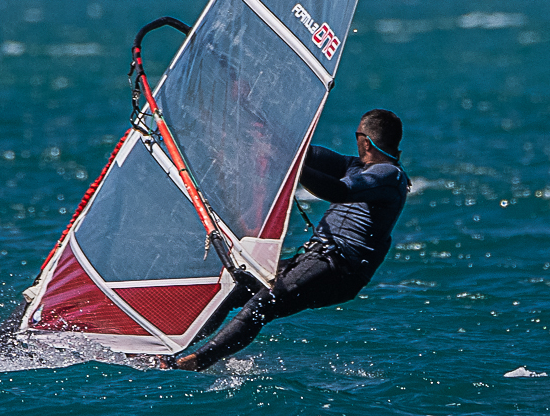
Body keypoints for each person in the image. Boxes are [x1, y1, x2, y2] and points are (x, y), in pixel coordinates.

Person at [157, 109, 411, 372]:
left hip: (339, 268)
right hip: (318, 259)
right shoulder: (356, 166)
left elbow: (339, 190)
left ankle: (192, 363)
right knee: (238, 289)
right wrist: (261, 134)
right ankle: (176, 347)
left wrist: (290, 166)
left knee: (262, 304)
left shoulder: (388, 175)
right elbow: (306, 154)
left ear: (365, 141)